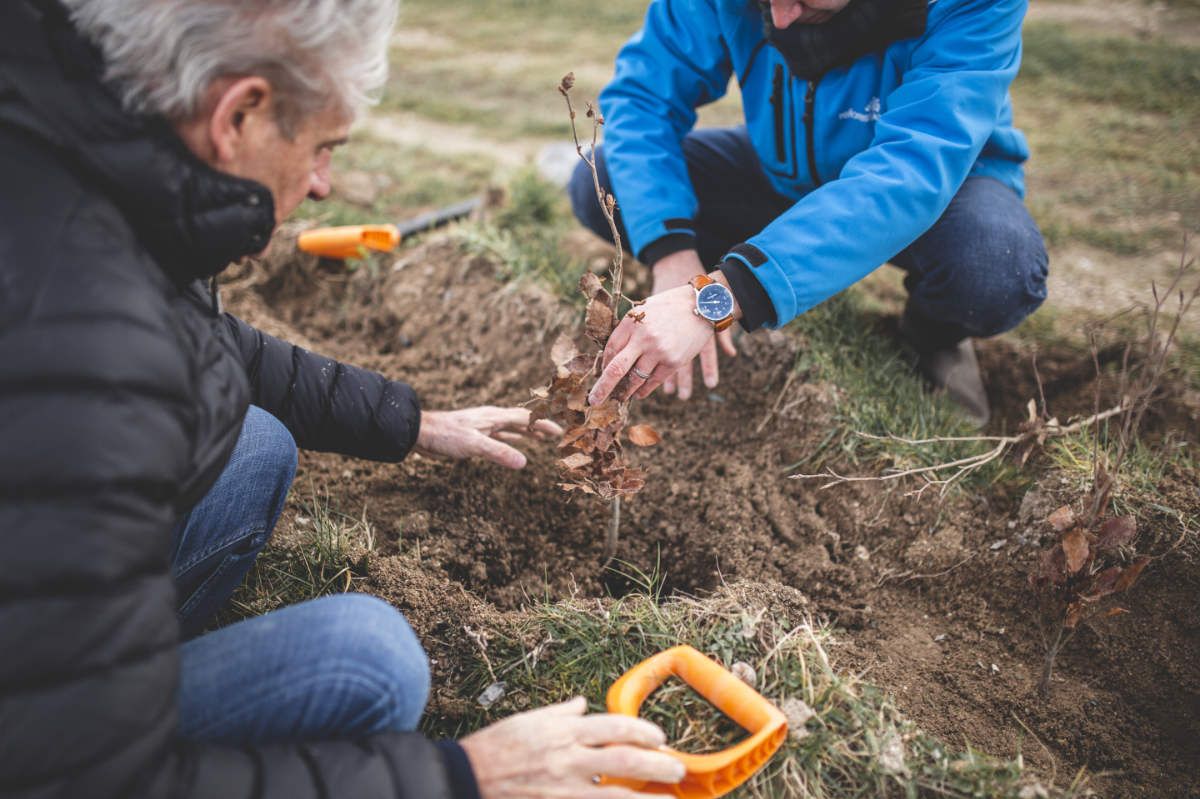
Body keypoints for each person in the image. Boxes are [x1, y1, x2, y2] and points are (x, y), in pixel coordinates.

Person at [0, 1, 686, 798]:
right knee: (369, 657)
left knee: (257, 443)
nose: (325, 184)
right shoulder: (85, 353)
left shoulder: (67, 144)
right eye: (323, 145)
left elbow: (193, 337)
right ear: (240, 112)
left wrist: (413, 422)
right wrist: (461, 775)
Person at [573, 0, 1049, 426]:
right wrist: (672, 253)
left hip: (938, 184)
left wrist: (715, 299)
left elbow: (912, 169)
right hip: (783, 172)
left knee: (994, 267)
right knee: (608, 181)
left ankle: (930, 335)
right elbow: (645, 97)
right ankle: (767, 274)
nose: (779, 17)